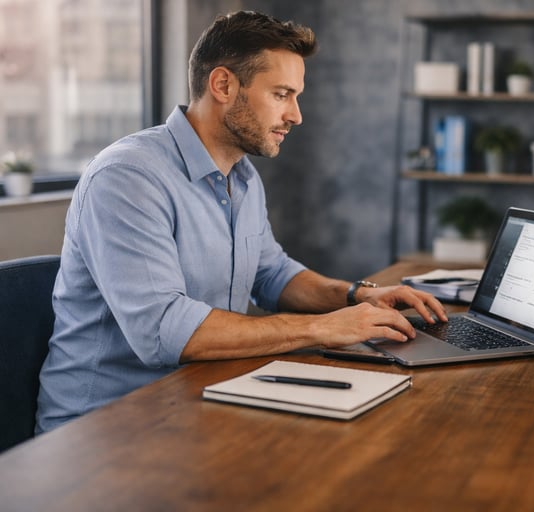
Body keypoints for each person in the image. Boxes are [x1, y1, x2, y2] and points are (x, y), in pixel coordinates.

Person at [35, 11, 447, 433]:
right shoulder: (128, 177)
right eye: (282, 94)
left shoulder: (242, 176)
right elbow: (164, 330)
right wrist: (323, 328)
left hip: (200, 401)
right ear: (223, 85)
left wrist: (358, 297)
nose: (296, 115)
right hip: (103, 430)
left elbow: (272, 274)